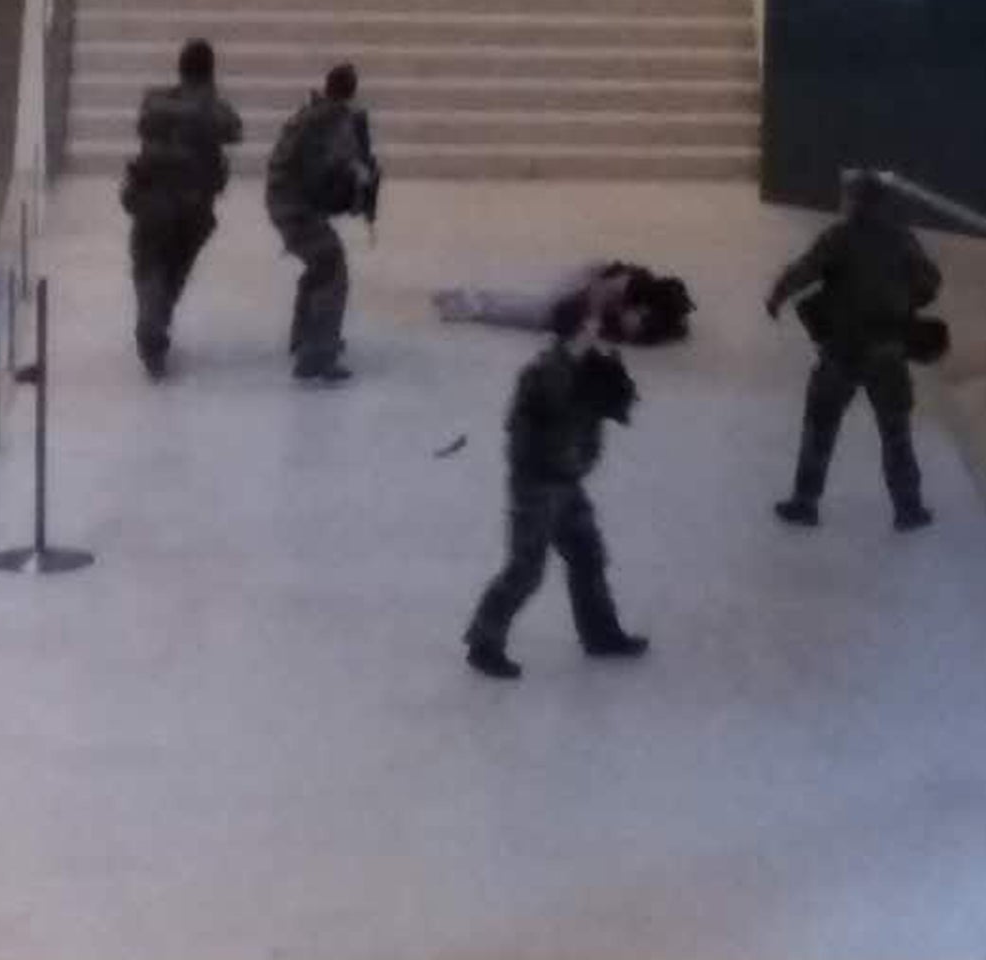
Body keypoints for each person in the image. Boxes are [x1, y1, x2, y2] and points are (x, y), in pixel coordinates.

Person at [464, 292, 649, 680]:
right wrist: (590, 398)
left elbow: (607, 407)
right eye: (591, 323)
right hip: (538, 485)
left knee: (587, 554)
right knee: (526, 569)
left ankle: (600, 633)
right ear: (575, 330)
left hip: (567, 482)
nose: (599, 329)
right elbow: (533, 429)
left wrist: (611, 398)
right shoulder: (548, 373)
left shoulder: (589, 366)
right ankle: (484, 641)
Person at [764, 169, 942, 531]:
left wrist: (777, 295)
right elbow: (930, 281)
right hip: (887, 352)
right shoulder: (902, 239)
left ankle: (805, 502)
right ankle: (908, 509)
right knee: (896, 434)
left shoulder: (839, 238)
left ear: (855, 201)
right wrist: (905, 300)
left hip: (842, 349)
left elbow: (804, 271)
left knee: (820, 428)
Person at [120, 39, 242, 379]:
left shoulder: (155, 102)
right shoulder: (215, 110)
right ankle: (155, 329)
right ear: (210, 71)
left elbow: (143, 126)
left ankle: (152, 329)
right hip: (193, 207)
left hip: (151, 201)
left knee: (149, 267)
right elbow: (234, 131)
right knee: (173, 271)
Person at [264, 62, 377, 383]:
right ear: (352, 91)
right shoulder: (334, 121)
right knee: (332, 268)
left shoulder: (311, 112)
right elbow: (341, 166)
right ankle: (317, 354)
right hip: (295, 208)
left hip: (283, 202)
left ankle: (304, 337)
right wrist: (361, 180)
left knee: (320, 266)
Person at [432, 261, 693, 346]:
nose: (634, 326)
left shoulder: (657, 327)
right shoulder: (633, 283)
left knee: (551, 318)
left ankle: (475, 301)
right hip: (594, 291)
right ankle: (473, 303)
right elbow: (599, 289)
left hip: (603, 310)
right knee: (545, 313)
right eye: (639, 318)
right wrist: (593, 318)